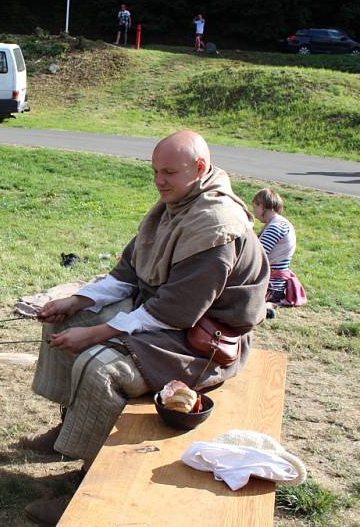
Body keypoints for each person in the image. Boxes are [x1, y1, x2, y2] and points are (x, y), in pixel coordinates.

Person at [20, 130, 269, 525]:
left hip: (202, 343)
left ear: (200, 168)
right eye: (155, 171)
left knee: (99, 365)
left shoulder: (216, 225)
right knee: (64, 323)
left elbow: (174, 311)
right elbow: (127, 275)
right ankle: (69, 427)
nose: (159, 181)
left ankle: (88, 487)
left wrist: (99, 334)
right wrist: (76, 302)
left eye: (169, 172)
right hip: (166, 320)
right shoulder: (175, 206)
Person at [252, 188, 297, 317]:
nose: (255, 214)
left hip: (271, 284)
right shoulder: (281, 223)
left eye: (255, 207)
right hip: (277, 284)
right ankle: (269, 304)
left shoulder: (275, 227)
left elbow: (258, 255)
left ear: (262, 206)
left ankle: (267, 305)